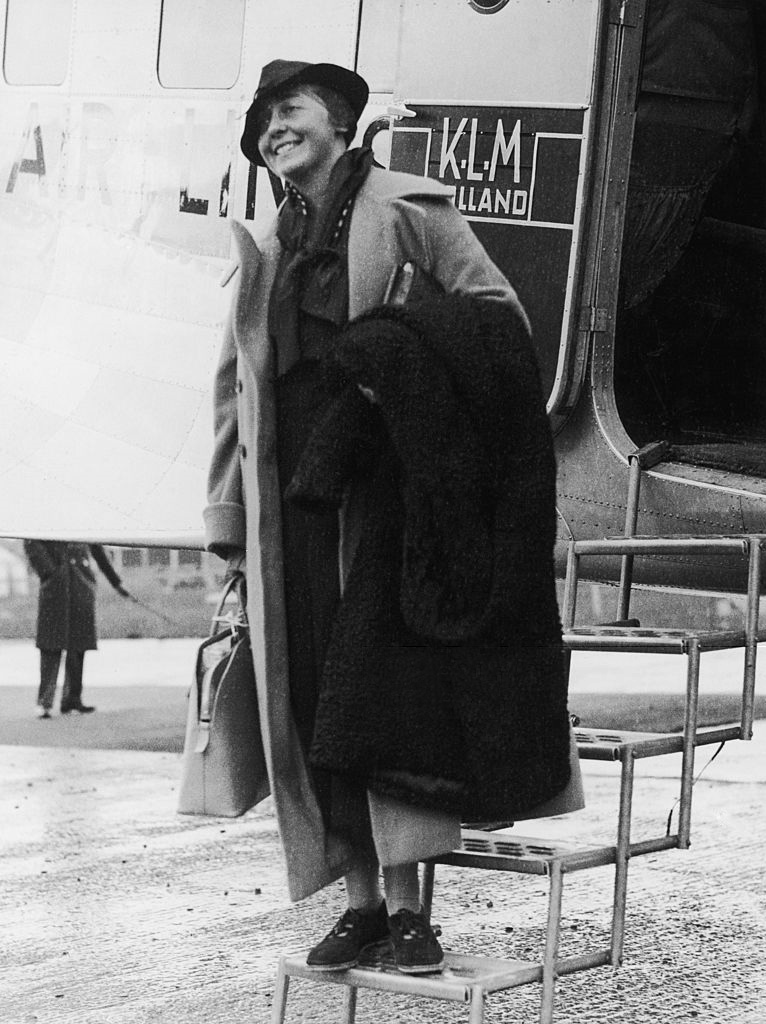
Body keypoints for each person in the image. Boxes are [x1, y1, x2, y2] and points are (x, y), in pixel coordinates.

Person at [204, 59, 581, 974]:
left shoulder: (409, 206)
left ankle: (413, 914)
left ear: (338, 122)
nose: (273, 129)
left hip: (391, 495)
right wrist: (225, 520)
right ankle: (362, 905)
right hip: (291, 506)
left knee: (388, 698)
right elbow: (230, 391)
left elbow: (498, 319)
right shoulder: (263, 242)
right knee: (310, 703)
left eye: (289, 112)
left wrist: (399, 349)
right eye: (262, 121)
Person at [23, 540, 129, 718]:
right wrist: (50, 572)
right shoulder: (42, 514)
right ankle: (45, 702)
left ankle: (72, 699)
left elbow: (97, 549)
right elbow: (31, 542)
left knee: (78, 646)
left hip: (81, 586)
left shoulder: (83, 517)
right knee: (51, 647)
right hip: (55, 589)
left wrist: (116, 582)